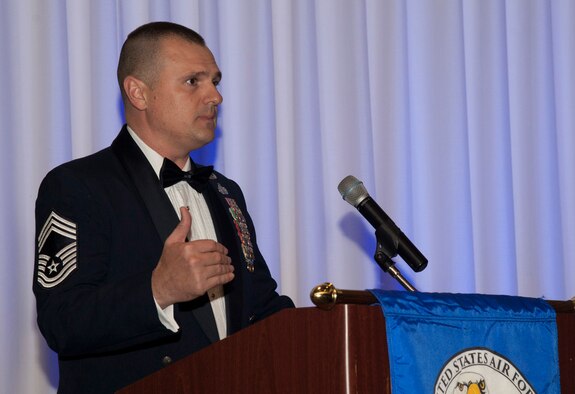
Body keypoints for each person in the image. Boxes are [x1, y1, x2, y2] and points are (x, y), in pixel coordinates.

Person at [34, 21, 294, 393]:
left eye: (215, 81)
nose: (215, 96)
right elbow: (61, 321)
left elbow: (260, 305)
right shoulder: (78, 186)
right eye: (193, 81)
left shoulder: (225, 192)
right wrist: (158, 289)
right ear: (138, 93)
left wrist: (333, 324)